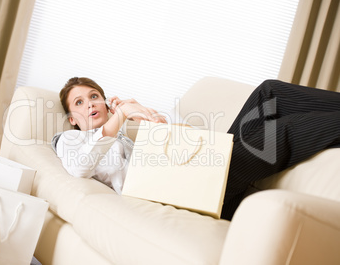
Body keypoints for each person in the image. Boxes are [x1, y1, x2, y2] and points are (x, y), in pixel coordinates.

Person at [53, 77, 340, 220]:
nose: (90, 103)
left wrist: (155, 121)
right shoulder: (70, 140)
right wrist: (120, 115)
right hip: (186, 193)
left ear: (105, 101)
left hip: (198, 174)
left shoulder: (126, 137)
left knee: (268, 92)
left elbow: (191, 145)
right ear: (71, 119)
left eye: (94, 96)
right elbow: (80, 167)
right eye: (79, 102)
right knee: (278, 132)